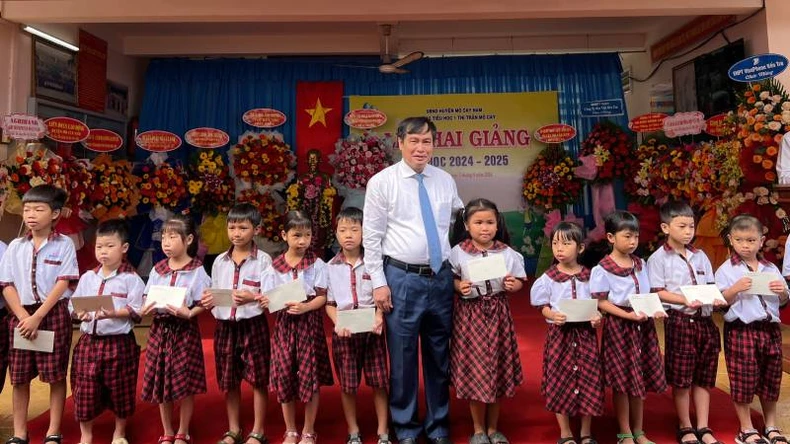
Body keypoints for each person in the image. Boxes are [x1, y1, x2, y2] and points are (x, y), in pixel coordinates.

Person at [363, 116, 464, 444]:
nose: (421, 148)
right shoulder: (382, 182)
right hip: (401, 279)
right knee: (403, 358)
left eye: (427, 142)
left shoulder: (445, 180)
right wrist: (378, 282)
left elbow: (459, 223)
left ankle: (438, 426)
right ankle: (405, 428)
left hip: (440, 279)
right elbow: (372, 237)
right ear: (400, 142)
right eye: (415, 141)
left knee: (439, 354)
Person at [0, 185, 79, 444]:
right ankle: (20, 433)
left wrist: (38, 317)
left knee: (55, 375)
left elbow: (63, 282)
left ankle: (53, 431)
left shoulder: (64, 244)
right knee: (20, 376)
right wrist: (24, 316)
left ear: (55, 213)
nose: (30, 215)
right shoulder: (15, 246)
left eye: (38, 209)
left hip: (52, 314)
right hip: (21, 315)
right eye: (26, 209)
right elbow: (6, 284)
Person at [450, 198, 525, 444]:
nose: (485, 228)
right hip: (470, 316)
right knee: (477, 369)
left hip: (498, 313)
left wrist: (514, 285)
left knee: (497, 368)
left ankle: (493, 429)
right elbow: (451, 281)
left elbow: (519, 281)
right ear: (467, 225)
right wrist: (459, 286)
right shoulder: (458, 252)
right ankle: (478, 429)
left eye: (490, 222)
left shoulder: (507, 252)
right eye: (478, 222)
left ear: (497, 223)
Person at [646, 201, 723, 444]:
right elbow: (657, 291)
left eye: (691, 226)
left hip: (705, 321)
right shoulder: (658, 258)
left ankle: (703, 426)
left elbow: (710, 285)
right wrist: (686, 299)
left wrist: (715, 298)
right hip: (680, 321)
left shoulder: (700, 256)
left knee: (704, 376)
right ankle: (685, 425)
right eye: (682, 226)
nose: (688, 231)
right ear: (666, 227)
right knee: (682, 377)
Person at [590, 210, 667, 444]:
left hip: (642, 327)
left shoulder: (641, 263)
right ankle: (624, 432)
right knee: (622, 382)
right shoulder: (602, 269)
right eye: (627, 236)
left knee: (639, 377)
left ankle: (639, 431)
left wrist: (656, 309)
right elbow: (601, 302)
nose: (633, 241)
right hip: (620, 327)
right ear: (611, 237)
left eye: (636, 236)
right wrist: (627, 315)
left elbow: (647, 293)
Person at [258, 210, 333, 444]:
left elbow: (322, 297)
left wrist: (306, 307)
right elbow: (268, 299)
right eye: (297, 235)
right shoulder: (273, 268)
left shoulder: (317, 264)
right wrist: (266, 301)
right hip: (284, 326)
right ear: (284, 235)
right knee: (284, 375)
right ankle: (290, 429)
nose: (302, 241)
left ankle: (308, 430)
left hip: (309, 325)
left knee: (310, 377)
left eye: (308, 235)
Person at [201, 203, 273, 444]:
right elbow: (214, 291)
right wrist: (209, 299)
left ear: (257, 230)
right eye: (232, 227)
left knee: (259, 379)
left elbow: (271, 296)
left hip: (253, 324)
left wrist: (253, 297)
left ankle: (258, 430)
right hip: (225, 326)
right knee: (228, 380)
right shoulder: (219, 261)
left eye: (243, 227)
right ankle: (233, 429)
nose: (236, 233)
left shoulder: (264, 260)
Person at [69, 219, 145, 444]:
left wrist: (114, 313)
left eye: (110, 246)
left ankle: (119, 433)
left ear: (124, 248)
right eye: (99, 246)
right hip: (89, 341)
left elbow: (138, 309)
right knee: (84, 388)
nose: (103, 251)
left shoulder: (132, 279)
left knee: (120, 386)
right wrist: (79, 313)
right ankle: (86, 435)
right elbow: (73, 306)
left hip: (118, 343)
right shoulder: (88, 277)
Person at [716, 215, 789, 444]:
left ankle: (771, 426)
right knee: (743, 377)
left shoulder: (770, 268)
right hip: (742, 329)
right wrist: (735, 289)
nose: (745, 245)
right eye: (739, 240)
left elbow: (785, 298)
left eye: (750, 240)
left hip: (769, 329)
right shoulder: (726, 270)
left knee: (771, 377)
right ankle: (746, 428)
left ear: (761, 241)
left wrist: (782, 292)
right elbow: (718, 302)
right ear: (730, 240)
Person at [530, 221, 603, 444]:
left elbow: (598, 303)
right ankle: (565, 432)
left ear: (580, 248)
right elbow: (542, 306)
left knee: (589, 379)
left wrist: (598, 316)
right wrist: (552, 315)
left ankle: (586, 431)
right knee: (559, 379)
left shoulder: (591, 276)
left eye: (566, 244)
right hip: (559, 337)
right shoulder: (548, 278)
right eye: (555, 243)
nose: (559, 249)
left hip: (585, 336)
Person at [141, 214, 210, 444]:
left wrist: (189, 313)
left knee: (185, 383)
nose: (166, 242)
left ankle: (183, 430)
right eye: (164, 237)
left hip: (184, 331)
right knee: (162, 383)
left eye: (172, 237)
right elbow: (147, 296)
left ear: (189, 239)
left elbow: (204, 301)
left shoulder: (197, 270)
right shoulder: (158, 268)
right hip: (160, 330)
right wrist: (146, 308)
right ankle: (167, 430)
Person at [324, 207, 390, 444]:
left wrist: (379, 317)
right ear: (336, 234)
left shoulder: (375, 264)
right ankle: (353, 432)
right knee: (348, 385)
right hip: (345, 333)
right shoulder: (329, 267)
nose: (348, 235)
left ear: (364, 233)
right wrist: (337, 322)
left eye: (354, 229)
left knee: (380, 382)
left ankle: (383, 431)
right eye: (343, 230)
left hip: (373, 331)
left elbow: (382, 296)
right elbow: (329, 303)